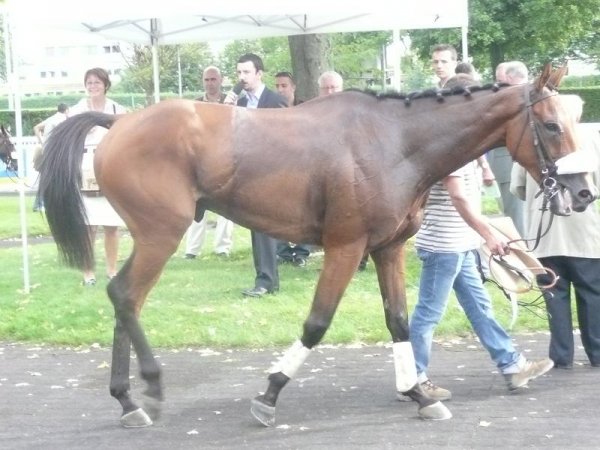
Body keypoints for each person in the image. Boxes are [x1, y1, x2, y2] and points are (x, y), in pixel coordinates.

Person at [404, 73, 553, 402]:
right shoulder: (447, 143)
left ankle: (512, 367)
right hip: (444, 245)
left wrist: (481, 233)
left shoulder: (461, 140)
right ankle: (412, 378)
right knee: (429, 313)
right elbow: (457, 197)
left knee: (481, 309)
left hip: (459, 243)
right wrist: (487, 233)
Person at [511, 95, 600, 369]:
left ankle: (561, 357)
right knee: (592, 294)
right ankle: (597, 353)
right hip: (585, 236)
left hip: (545, 237)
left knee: (554, 296)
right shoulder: (592, 141)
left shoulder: (533, 142)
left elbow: (519, 189)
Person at [227, 53, 287, 298]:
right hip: (249, 172)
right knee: (257, 225)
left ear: (259, 74)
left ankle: (266, 280)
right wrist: (227, 108)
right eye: (239, 73)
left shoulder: (275, 100)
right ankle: (266, 279)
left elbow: (286, 137)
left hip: (274, 171)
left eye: (246, 73)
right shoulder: (239, 103)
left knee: (263, 224)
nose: (242, 78)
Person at [69, 67, 126, 286]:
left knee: (112, 225)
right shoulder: (77, 110)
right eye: (89, 82)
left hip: (109, 166)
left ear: (105, 84)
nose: (93, 86)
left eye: (97, 82)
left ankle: (112, 270)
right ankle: (88, 272)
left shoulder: (116, 109)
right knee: (88, 225)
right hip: (84, 164)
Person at [184, 66, 234, 259]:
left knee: (226, 207)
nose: (210, 83)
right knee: (197, 205)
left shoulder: (230, 102)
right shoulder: (194, 105)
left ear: (220, 80)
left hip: (225, 158)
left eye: (213, 79)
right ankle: (192, 249)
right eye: (207, 80)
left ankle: (222, 247)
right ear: (202, 81)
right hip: (201, 160)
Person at [273, 71, 311, 267]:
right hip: (278, 168)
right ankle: (282, 251)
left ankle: (302, 252)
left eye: (284, 85)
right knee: (276, 209)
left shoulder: (306, 108)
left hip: (303, 167)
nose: (280, 89)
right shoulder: (271, 109)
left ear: (293, 87)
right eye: (277, 86)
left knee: (305, 209)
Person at [486, 61, 529, 236]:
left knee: (518, 216)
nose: (498, 85)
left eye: (501, 80)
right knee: (512, 214)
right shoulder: (499, 99)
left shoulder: (526, 97)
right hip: (505, 165)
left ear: (510, 78)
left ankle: (526, 256)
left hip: (514, 163)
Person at [32, 103, 69, 212]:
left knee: (47, 177)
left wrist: (42, 141)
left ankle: (40, 203)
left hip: (47, 151)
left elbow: (36, 127)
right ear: (66, 110)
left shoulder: (51, 118)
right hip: (56, 152)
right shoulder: (63, 119)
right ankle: (42, 204)